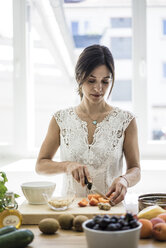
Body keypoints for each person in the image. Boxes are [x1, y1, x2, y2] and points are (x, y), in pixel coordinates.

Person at [36, 44, 141, 205]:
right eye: (91, 80)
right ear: (79, 77)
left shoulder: (126, 120)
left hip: (110, 210)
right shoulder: (61, 119)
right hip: (70, 210)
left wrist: (125, 180)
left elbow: (135, 169)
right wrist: (67, 166)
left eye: (105, 82)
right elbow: (41, 165)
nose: (98, 88)